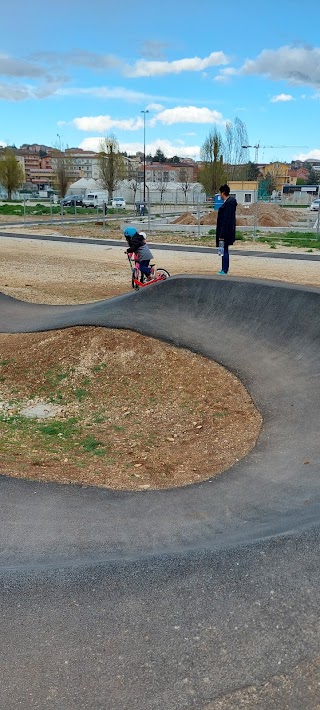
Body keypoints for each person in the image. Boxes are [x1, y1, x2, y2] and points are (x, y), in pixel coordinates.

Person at [215, 184, 237, 275]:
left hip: (225, 232)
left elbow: (226, 220)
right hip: (225, 231)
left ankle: (224, 269)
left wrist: (222, 234)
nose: (219, 195)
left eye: (220, 193)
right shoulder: (228, 203)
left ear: (223, 193)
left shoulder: (229, 204)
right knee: (223, 250)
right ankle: (223, 268)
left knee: (224, 250)